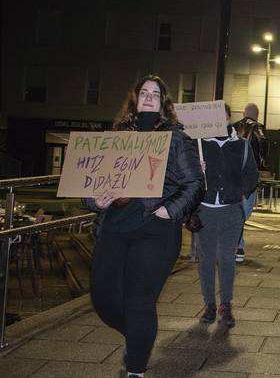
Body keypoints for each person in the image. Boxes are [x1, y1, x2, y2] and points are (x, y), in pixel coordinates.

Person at [84, 75, 205, 377]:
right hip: (114, 228)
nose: (149, 96)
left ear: (163, 103)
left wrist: (169, 210)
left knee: (139, 300)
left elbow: (194, 183)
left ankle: (135, 367)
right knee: (103, 299)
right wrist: (94, 202)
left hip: (155, 230)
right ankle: (139, 337)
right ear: (134, 100)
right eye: (144, 92)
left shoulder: (176, 138)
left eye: (156, 93)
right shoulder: (115, 138)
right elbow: (91, 186)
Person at [196, 104, 259, 327]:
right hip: (204, 211)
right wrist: (198, 169)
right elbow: (187, 176)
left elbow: (252, 175)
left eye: (221, 116)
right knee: (205, 260)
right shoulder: (199, 145)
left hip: (231, 211)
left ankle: (226, 304)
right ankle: (209, 304)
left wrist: (239, 193)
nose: (217, 120)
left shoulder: (241, 146)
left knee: (226, 259)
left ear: (228, 118)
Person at [233, 103, 266, 262]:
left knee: (236, 213)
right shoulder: (258, 128)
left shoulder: (234, 128)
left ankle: (236, 245)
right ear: (257, 114)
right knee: (243, 214)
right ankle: (238, 247)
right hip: (249, 177)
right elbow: (263, 149)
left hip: (234, 176)